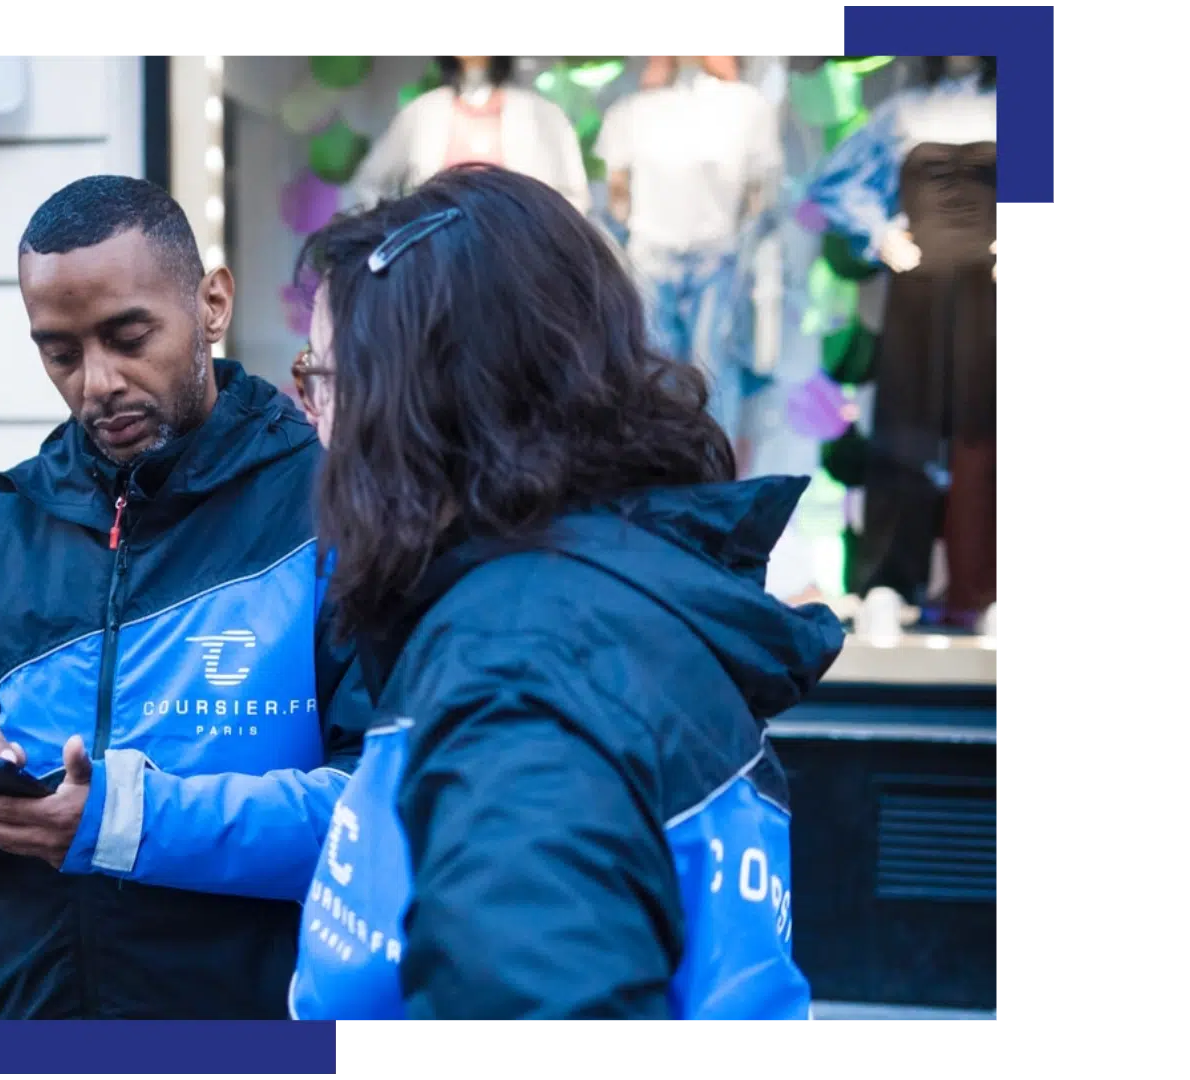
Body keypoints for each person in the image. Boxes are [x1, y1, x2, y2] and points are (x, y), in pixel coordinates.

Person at [285, 164, 846, 1023]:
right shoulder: (600, 599)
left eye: (322, 380)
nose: (313, 420)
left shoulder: (520, 665)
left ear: (416, 404)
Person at [0, 175, 367, 1020]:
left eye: (129, 337)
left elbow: (380, 806)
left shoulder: (335, 503)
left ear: (212, 304)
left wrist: (122, 821)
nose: (97, 382)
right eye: (60, 352)